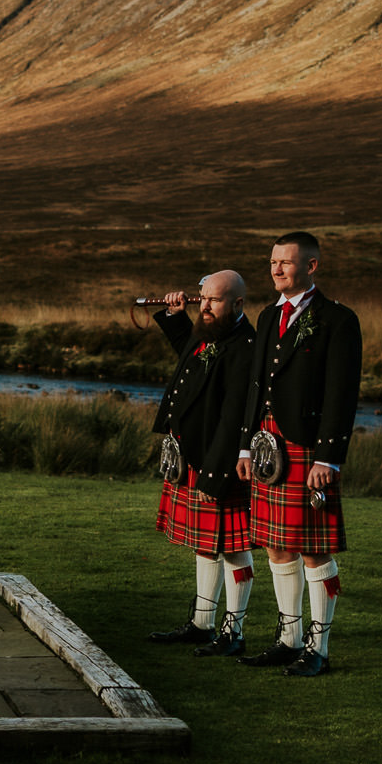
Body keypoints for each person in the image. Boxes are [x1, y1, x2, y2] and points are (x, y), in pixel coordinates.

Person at [234, 231, 363, 676]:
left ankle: (318, 650)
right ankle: (289, 640)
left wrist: (328, 457)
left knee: (313, 549)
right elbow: (256, 385)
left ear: (311, 266)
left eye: (285, 262)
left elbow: (341, 393)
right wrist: (246, 444)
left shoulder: (337, 320)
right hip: (268, 445)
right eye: (273, 261)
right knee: (276, 547)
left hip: (307, 447)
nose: (276, 269)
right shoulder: (269, 315)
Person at [143, 270, 259, 654]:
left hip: (217, 459)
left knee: (234, 547)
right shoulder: (210, 331)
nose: (205, 306)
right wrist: (175, 316)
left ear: (237, 304)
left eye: (214, 300)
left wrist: (215, 473)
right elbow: (190, 357)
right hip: (193, 453)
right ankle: (202, 624)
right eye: (203, 298)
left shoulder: (245, 347)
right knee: (205, 545)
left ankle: (233, 633)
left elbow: (234, 417)